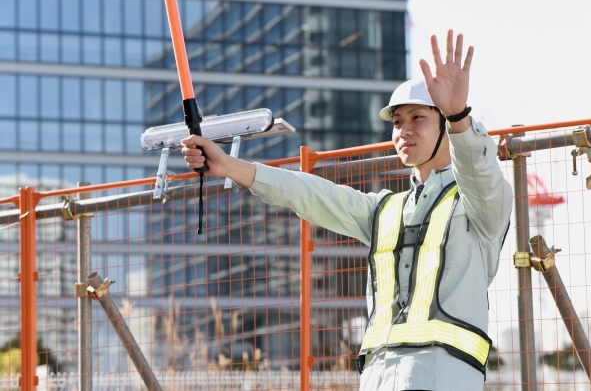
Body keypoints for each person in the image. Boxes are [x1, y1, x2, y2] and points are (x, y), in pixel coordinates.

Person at [181, 30, 512, 391]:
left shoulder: (480, 203)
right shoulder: (385, 210)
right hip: (378, 378)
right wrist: (228, 166)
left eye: (418, 117)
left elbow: (479, 171)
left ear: (445, 128)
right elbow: (310, 193)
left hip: (444, 377)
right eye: (397, 122)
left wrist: (459, 116)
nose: (404, 130)